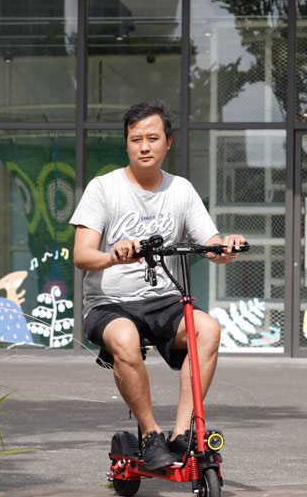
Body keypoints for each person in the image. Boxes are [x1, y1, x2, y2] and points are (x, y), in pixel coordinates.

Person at [70, 101, 246, 471]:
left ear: (167, 143)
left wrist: (225, 247)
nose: (144, 146)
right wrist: (112, 256)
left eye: (153, 138)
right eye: (136, 139)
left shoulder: (180, 190)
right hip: (109, 302)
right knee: (124, 338)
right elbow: (82, 255)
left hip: (163, 300)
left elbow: (210, 244)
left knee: (208, 329)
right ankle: (151, 435)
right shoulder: (103, 188)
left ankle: (182, 435)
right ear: (127, 145)